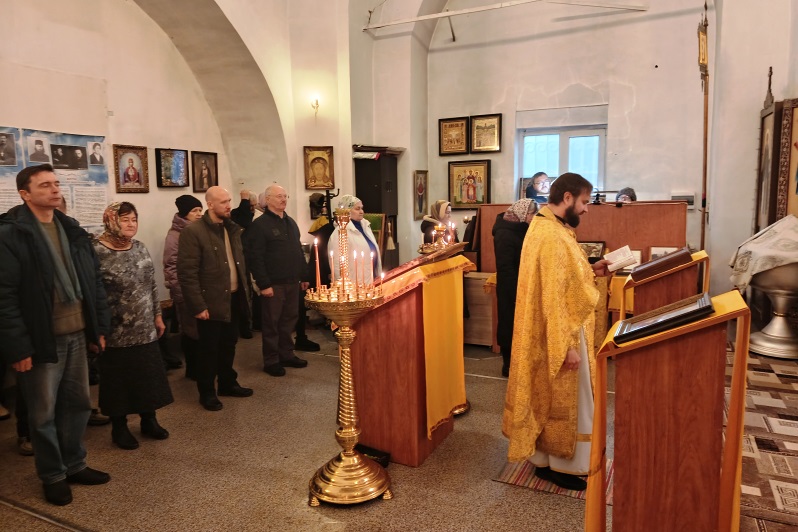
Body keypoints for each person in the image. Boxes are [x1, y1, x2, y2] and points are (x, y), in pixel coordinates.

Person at [0, 164, 111, 506]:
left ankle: (74, 463)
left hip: (77, 331)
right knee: (42, 412)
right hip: (41, 339)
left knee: (78, 403)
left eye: (56, 183)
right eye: (45, 185)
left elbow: (92, 281)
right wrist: (18, 348)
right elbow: (4, 296)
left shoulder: (70, 228)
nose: (54, 189)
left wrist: (98, 327)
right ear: (25, 193)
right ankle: (52, 475)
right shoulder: (11, 234)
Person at [503, 172, 611, 492]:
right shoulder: (550, 234)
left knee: (548, 398)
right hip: (561, 331)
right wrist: (565, 348)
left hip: (560, 327)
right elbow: (552, 296)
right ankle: (564, 465)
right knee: (569, 402)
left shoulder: (553, 227)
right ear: (567, 199)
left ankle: (545, 461)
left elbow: (566, 280)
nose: (587, 209)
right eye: (584, 202)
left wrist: (593, 270)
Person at [94, 202, 174, 450]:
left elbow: (151, 284)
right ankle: (119, 428)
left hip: (145, 328)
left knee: (147, 377)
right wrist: (97, 329)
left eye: (134, 219)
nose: (130, 224)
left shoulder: (139, 247)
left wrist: (158, 316)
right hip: (116, 332)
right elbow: (92, 293)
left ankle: (149, 420)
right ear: (111, 220)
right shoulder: (96, 251)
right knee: (118, 381)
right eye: (125, 219)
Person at [177, 187, 254, 411]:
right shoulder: (194, 232)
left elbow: (238, 262)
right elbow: (187, 273)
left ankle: (228, 383)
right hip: (210, 301)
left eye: (229, 201)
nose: (228, 205)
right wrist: (198, 306)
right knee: (209, 349)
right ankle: (207, 392)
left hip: (233, 297)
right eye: (223, 202)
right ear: (210, 204)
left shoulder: (232, 228)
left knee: (229, 344)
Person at [245, 184, 310, 377]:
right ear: (268, 200)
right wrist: (263, 284)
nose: (283, 199)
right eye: (279, 196)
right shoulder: (260, 225)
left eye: (285, 196)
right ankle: (271, 360)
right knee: (272, 323)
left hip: (292, 281)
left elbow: (298, 251)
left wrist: (304, 275)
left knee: (289, 320)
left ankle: (287, 354)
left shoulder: (290, 222)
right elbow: (255, 257)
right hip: (273, 284)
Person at [492, 198, 538, 377]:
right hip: (510, 287)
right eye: (531, 214)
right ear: (522, 213)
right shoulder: (504, 233)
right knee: (509, 324)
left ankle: (521, 364)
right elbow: (505, 267)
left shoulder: (521, 228)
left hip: (523, 284)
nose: (534, 217)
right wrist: (516, 292)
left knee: (522, 325)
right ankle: (508, 365)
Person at [163, 195, 204, 379]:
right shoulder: (175, 235)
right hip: (184, 291)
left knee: (200, 331)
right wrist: (179, 292)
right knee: (190, 331)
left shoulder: (199, 230)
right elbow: (171, 266)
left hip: (200, 289)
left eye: (200, 210)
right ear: (184, 213)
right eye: (194, 211)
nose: (199, 214)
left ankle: (201, 367)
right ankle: (193, 369)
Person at [329, 194, 382, 284]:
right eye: (357, 209)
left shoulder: (366, 227)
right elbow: (337, 264)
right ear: (347, 211)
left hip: (371, 279)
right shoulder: (341, 232)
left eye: (362, 208)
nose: (361, 211)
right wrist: (343, 287)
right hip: (354, 285)